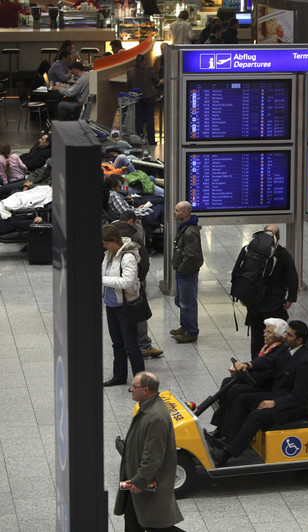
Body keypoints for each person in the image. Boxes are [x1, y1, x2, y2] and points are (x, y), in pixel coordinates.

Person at [212, 320, 308, 466]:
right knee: (242, 399)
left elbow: (300, 396)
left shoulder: (305, 362)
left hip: (292, 406)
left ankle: (227, 454)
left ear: (299, 340)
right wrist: (248, 365)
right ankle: (228, 439)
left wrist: (274, 403)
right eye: (286, 332)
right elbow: (268, 360)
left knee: (257, 415)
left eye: (289, 334)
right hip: (278, 395)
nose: (284, 336)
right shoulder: (287, 350)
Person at [114, 372, 185, 532]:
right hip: (136, 480)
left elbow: (153, 455)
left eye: (134, 387)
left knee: (157, 526)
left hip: (147, 483)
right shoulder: (146, 408)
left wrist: (140, 480)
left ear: (146, 390)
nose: (130, 390)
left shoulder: (156, 417)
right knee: (132, 518)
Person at [209, 317, 289, 435]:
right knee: (227, 382)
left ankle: (230, 430)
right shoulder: (267, 347)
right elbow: (258, 365)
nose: (265, 335)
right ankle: (220, 425)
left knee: (236, 390)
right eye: (265, 331)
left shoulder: (279, 352)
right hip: (259, 380)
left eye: (269, 332)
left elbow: (266, 376)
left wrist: (244, 375)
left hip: (267, 385)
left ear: (278, 336)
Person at [112, 211, 163, 360]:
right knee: (139, 314)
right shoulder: (134, 238)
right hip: (132, 285)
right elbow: (144, 261)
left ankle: (124, 344)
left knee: (117, 315)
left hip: (112, 286)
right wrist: (140, 280)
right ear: (131, 222)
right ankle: (144, 345)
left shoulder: (108, 234)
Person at [244, 224, 299, 358]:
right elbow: (293, 276)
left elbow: (243, 274)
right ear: (278, 237)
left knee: (256, 339)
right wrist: (291, 299)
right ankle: (274, 363)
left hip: (255, 304)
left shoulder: (251, 251)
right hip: (275, 305)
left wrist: (243, 296)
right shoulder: (282, 254)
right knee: (277, 338)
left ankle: (255, 366)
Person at [101, 224, 146, 387]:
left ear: (114, 240)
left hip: (125, 307)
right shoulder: (109, 254)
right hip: (111, 305)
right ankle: (119, 376)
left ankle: (140, 381)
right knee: (117, 343)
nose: (104, 246)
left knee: (131, 345)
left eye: (106, 243)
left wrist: (103, 280)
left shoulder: (128, 257)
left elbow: (127, 281)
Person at [170, 201, 203, 343]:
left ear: (185, 214)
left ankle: (191, 332)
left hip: (187, 272)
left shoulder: (190, 232)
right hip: (182, 271)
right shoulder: (184, 227)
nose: (174, 212)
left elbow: (190, 256)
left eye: (176, 210)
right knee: (180, 300)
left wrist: (182, 269)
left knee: (187, 302)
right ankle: (185, 326)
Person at [126, 55, 161, 146]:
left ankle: (140, 140)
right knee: (150, 119)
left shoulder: (130, 71)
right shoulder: (149, 69)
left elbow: (128, 84)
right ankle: (151, 141)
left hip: (137, 97)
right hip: (148, 96)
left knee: (139, 119)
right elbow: (156, 80)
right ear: (144, 61)